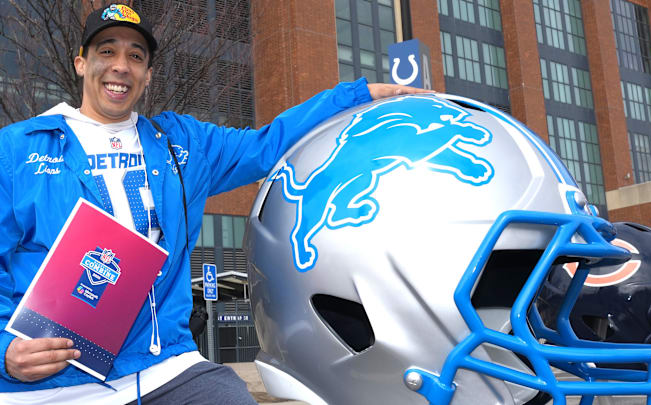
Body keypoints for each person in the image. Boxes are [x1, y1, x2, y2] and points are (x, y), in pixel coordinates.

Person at [0, 4, 428, 404]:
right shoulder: (18, 150)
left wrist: (357, 98)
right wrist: (6, 353)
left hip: (162, 365)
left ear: (148, 74)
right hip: (54, 379)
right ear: (81, 63)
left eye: (135, 56)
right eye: (106, 51)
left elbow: (268, 145)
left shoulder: (182, 145)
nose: (119, 66)